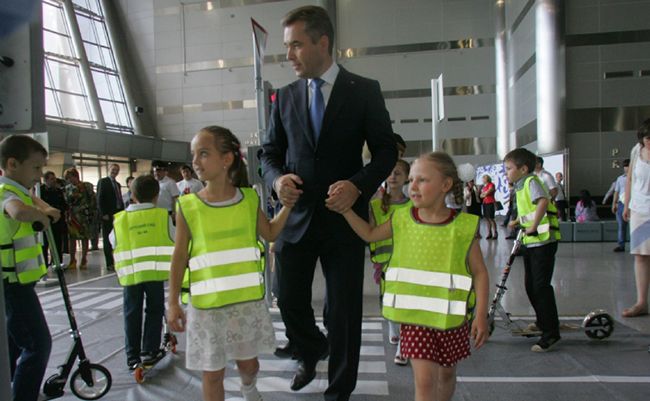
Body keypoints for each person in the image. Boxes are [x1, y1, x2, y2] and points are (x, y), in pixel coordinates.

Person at [260, 5, 397, 399]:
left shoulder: (364, 90)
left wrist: (358, 185)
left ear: (322, 42)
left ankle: (339, 392)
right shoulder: (284, 97)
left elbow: (386, 151)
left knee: (343, 313)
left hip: (344, 219)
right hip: (296, 218)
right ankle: (310, 348)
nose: (288, 55)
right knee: (288, 300)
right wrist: (277, 180)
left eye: (296, 45)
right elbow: (269, 154)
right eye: (287, 46)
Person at [335, 152, 489, 401]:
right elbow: (370, 234)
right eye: (412, 180)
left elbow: (480, 273)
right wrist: (345, 210)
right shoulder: (402, 219)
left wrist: (480, 315)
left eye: (422, 180)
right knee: (425, 382)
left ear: (445, 185)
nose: (413, 186)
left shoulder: (463, 227)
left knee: (446, 375)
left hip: (452, 319)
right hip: (415, 319)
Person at [167, 126, 292, 401]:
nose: (195, 162)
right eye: (193, 155)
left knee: (249, 365)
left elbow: (270, 232)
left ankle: (249, 387)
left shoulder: (248, 199)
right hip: (207, 308)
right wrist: (172, 301)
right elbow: (179, 256)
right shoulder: (187, 206)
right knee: (212, 374)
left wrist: (289, 206)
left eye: (203, 153)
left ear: (226, 159)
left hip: (245, 304)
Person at [1, 135, 61, 401]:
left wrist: (46, 209)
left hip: (19, 283)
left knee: (13, 345)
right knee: (38, 344)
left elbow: (37, 203)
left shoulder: (21, 191)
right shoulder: (6, 192)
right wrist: (42, 215)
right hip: (13, 285)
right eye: (36, 168)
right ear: (12, 164)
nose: (39, 175)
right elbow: (18, 212)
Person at [109, 175, 174, 370]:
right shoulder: (162, 216)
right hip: (154, 274)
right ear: (156, 195)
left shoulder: (120, 219)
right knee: (154, 310)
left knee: (131, 312)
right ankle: (149, 350)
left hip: (130, 275)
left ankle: (132, 356)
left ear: (133, 195)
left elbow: (113, 241)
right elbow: (173, 237)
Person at [505, 148, 562, 352]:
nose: (506, 172)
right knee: (530, 285)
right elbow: (529, 210)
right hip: (532, 242)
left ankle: (551, 332)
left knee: (540, 286)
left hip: (544, 241)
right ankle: (541, 321)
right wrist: (516, 221)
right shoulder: (521, 186)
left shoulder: (531, 181)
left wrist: (534, 225)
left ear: (523, 169)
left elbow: (543, 202)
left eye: (509, 168)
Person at [368, 159, 411, 366]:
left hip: (408, 262)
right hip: (384, 262)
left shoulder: (413, 205)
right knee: (388, 299)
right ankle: (393, 327)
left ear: (407, 178)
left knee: (404, 301)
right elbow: (369, 230)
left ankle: (404, 345)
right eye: (390, 172)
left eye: (398, 173)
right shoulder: (376, 205)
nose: (393, 177)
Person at [621, 118, 650, 318]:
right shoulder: (636, 151)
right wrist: (627, 204)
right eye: (647, 139)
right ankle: (641, 302)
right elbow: (630, 178)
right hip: (640, 210)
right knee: (641, 255)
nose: (649, 142)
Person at [63, 167, 96, 269]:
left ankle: (84, 259)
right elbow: (66, 202)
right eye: (68, 178)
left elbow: (93, 200)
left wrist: (91, 212)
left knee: (84, 238)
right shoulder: (67, 188)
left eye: (70, 177)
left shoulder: (86, 186)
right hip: (72, 217)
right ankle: (72, 259)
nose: (70, 180)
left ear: (76, 176)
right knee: (72, 238)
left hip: (84, 216)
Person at [97, 163, 125, 271]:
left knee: (117, 238)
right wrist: (103, 213)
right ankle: (109, 263)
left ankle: (117, 261)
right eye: (113, 169)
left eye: (117, 170)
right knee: (107, 239)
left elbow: (119, 199)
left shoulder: (117, 184)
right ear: (109, 169)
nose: (115, 171)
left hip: (117, 213)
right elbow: (99, 198)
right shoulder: (103, 182)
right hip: (107, 215)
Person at [40, 171, 67, 266]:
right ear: (46, 180)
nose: (54, 181)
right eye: (51, 179)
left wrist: (60, 211)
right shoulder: (40, 191)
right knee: (44, 244)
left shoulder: (58, 191)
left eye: (54, 178)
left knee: (57, 243)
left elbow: (63, 204)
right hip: (45, 221)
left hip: (57, 221)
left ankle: (57, 263)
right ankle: (44, 264)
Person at [612, 160, 630, 252]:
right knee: (621, 226)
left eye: (628, 166)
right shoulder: (620, 178)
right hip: (621, 204)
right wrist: (614, 203)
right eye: (625, 166)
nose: (626, 168)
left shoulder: (636, 177)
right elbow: (616, 192)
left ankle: (635, 245)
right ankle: (621, 245)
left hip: (632, 204)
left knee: (633, 226)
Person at [480, 175, 497, 239]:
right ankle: (489, 233)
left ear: (487, 179)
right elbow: (481, 195)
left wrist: (484, 194)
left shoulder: (491, 184)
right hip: (485, 203)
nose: (482, 180)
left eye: (483, 178)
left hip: (490, 202)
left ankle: (495, 233)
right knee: (487, 218)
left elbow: (487, 193)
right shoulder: (484, 187)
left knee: (491, 218)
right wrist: (484, 194)